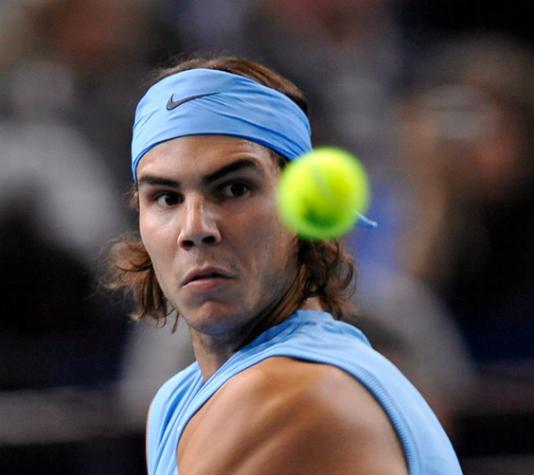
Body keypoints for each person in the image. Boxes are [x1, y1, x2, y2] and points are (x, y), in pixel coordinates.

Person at [107, 56, 462, 474]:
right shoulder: (178, 399)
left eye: (235, 188)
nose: (195, 228)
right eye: (166, 198)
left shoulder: (292, 397)